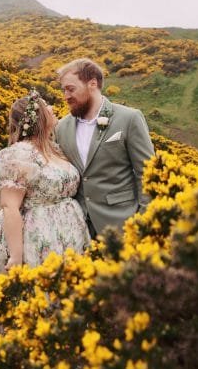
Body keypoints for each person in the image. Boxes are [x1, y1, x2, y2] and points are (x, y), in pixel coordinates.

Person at [0, 89, 90, 365]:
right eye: (48, 108)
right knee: (32, 301)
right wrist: (16, 256)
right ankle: (21, 364)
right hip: (35, 239)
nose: (54, 111)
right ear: (39, 116)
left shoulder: (54, 149)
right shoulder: (19, 153)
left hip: (66, 239)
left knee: (61, 301)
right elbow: (10, 206)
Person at [55, 58, 155, 237]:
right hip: (78, 229)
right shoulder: (61, 127)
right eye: (64, 90)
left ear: (92, 83)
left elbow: (148, 173)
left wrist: (143, 222)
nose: (66, 96)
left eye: (71, 89)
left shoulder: (129, 119)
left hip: (123, 225)